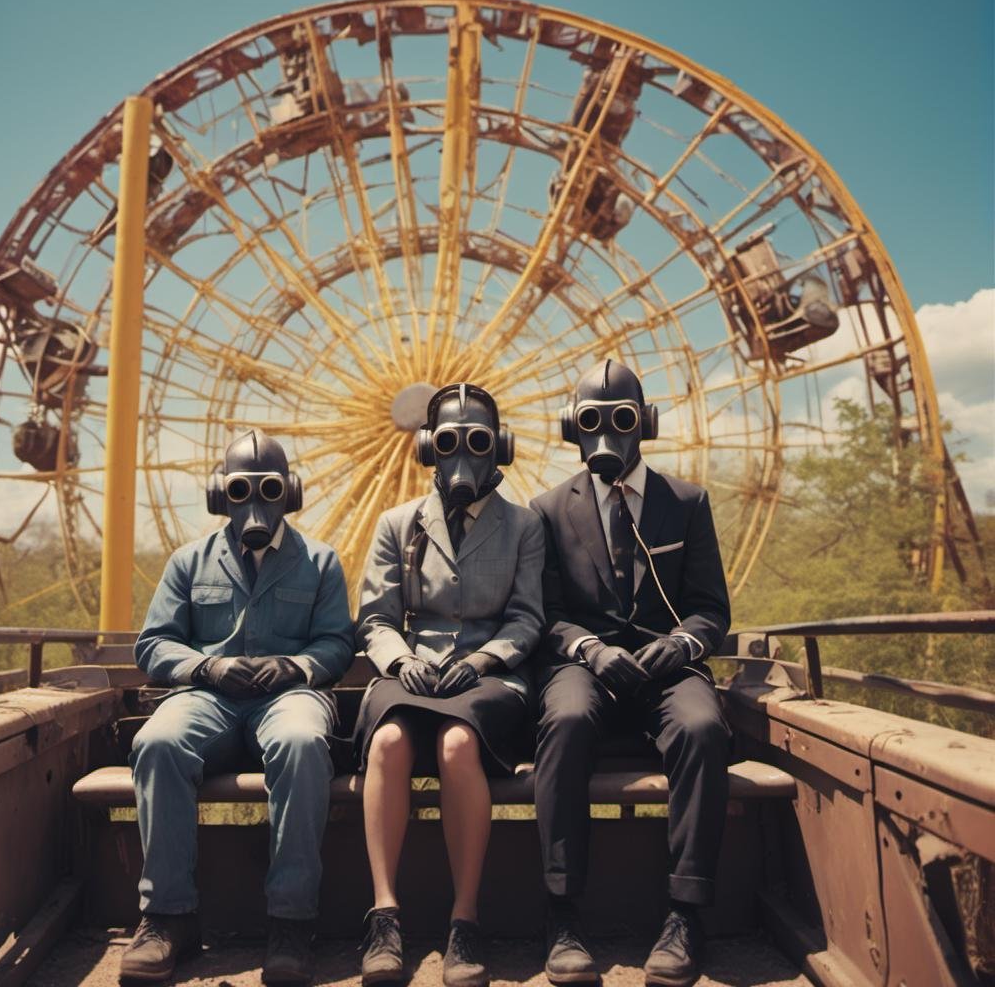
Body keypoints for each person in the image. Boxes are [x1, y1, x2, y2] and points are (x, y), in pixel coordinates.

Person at [121, 430, 354, 985]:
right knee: (157, 742)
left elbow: (339, 642)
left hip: (289, 697)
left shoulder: (319, 563)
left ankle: (291, 922)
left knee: (301, 743)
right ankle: (167, 918)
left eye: (270, 489)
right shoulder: (188, 561)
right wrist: (206, 668)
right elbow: (153, 643)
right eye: (242, 489)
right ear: (219, 493)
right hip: (209, 698)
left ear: (290, 493)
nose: (256, 503)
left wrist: (296, 667)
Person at [529, 360, 731, 987]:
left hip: (665, 669)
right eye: (591, 422)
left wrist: (683, 645)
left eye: (621, 420)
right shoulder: (546, 510)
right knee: (562, 720)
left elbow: (711, 609)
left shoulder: (687, 503)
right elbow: (548, 616)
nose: (607, 435)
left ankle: (686, 912)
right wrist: (589, 649)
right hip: (586, 667)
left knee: (702, 728)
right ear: (572, 428)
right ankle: (562, 912)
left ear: (645, 424)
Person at [353, 383, 545, 987]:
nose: (463, 454)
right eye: (448, 440)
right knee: (387, 745)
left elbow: (528, 618)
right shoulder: (396, 523)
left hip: (489, 679)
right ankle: (384, 915)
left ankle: (465, 922)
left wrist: (488, 658)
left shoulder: (524, 526)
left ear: (501, 447)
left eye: (478, 439)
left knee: (459, 746)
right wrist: (400, 659)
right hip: (415, 671)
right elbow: (376, 617)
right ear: (427, 447)